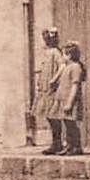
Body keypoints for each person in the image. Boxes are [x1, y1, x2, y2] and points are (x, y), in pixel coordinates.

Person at [35, 27, 68, 155]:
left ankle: (57, 143)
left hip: (52, 88)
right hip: (44, 88)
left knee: (53, 115)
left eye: (49, 38)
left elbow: (62, 66)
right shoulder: (46, 52)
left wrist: (54, 79)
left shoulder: (55, 52)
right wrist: (39, 82)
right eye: (46, 38)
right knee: (48, 115)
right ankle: (55, 142)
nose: (47, 40)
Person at [57, 42, 87, 156]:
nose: (62, 57)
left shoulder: (75, 67)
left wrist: (70, 102)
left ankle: (76, 146)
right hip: (64, 100)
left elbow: (75, 86)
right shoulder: (67, 67)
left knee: (72, 124)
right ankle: (69, 146)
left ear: (69, 55)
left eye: (64, 54)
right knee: (67, 123)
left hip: (71, 101)